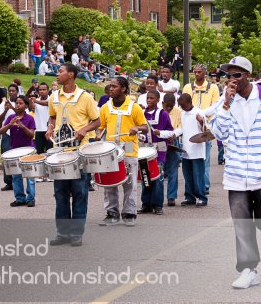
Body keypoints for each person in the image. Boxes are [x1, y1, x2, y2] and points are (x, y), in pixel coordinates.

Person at [210, 56, 261, 289]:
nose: (232, 80)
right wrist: (225, 104)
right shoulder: (226, 101)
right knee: (242, 225)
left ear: (248, 76)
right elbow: (220, 134)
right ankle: (248, 270)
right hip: (236, 175)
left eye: (237, 75)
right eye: (228, 76)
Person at [45, 63, 100, 247]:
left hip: (80, 152)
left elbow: (97, 120)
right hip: (61, 153)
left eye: (60, 71)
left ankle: (76, 233)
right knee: (60, 194)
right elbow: (52, 116)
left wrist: (84, 129)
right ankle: (63, 233)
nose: (57, 74)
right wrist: (50, 127)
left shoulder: (85, 97)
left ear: (71, 75)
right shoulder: (54, 96)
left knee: (79, 193)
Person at [96, 76, 148, 226]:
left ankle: (129, 213)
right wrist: (99, 134)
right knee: (110, 182)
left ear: (123, 89)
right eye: (110, 86)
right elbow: (101, 125)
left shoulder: (134, 107)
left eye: (114, 86)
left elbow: (144, 126)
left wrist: (136, 128)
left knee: (130, 183)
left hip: (129, 148)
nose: (110, 89)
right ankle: (111, 212)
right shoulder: (106, 107)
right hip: (110, 149)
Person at [182, 64, 220, 195]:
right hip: (190, 126)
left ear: (205, 73)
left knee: (205, 158)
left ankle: (205, 184)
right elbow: (183, 104)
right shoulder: (188, 87)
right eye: (195, 72)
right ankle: (193, 188)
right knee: (189, 157)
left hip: (205, 126)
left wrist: (201, 115)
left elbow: (216, 106)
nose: (197, 74)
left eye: (199, 72)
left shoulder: (213, 87)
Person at [138, 90, 173, 215]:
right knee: (145, 176)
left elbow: (171, 132)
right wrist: (140, 137)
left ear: (157, 100)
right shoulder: (141, 114)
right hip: (144, 150)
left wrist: (161, 133)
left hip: (159, 151)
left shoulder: (163, 114)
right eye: (148, 98)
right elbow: (139, 131)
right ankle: (146, 204)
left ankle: (157, 205)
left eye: (152, 98)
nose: (149, 100)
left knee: (157, 177)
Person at [0, 95, 37, 207]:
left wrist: (22, 126)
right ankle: (20, 198)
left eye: (21, 103)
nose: (18, 105)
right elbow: (1, 131)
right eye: (16, 103)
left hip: (28, 150)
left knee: (29, 175)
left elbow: (31, 135)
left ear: (26, 105)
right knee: (16, 176)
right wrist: (10, 124)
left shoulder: (30, 118)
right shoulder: (11, 117)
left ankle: (31, 198)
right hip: (14, 150)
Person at [173, 93, 208, 207]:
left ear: (189, 102)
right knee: (187, 175)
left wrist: (201, 121)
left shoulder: (199, 112)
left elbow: (207, 130)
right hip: (186, 149)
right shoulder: (182, 114)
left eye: (183, 105)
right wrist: (174, 134)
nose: (181, 107)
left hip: (197, 150)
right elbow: (181, 129)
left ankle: (202, 198)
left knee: (198, 176)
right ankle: (190, 197)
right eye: (180, 105)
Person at [0, 84, 19, 191]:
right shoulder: (3, 104)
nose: (11, 93)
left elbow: (22, 114)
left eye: (13, 91)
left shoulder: (20, 102)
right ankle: (8, 181)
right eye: (9, 91)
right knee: (5, 157)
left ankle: (17, 180)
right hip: (7, 133)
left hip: (18, 133)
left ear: (17, 91)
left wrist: (13, 107)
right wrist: (6, 110)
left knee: (17, 157)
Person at [162, 93, 181, 207]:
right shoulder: (159, 111)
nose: (169, 108)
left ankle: (171, 197)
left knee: (173, 171)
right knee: (160, 171)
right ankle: (157, 196)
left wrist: (174, 134)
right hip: (160, 142)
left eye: (171, 106)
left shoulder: (178, 111)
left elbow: (180, 126)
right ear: (163, 103)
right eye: (167, 106)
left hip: (173, 142)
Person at [31, 82, 52, 155]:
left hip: (50, 130)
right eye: (40, 90)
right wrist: (31, 101)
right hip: (39, 130)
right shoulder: (36, 100)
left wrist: (36, 101)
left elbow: (47, 103)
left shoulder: (51, 99)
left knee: (50, 153)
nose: (42, 91)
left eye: (44, 89)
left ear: (48, 90)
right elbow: (31, 108)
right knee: (39, 154)